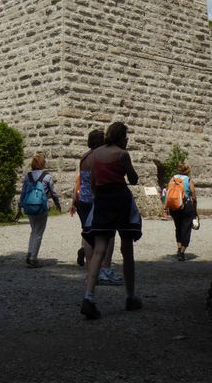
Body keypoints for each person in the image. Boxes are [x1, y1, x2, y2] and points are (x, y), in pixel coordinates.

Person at [80, 122, 142, 319]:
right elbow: (133, 179)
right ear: (121, 137)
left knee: (99, 250)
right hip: (120, 200)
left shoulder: (95, 155)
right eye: (126, 137)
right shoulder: (122, 154)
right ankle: (130, 296)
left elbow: (93, 183)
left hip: (102, 200)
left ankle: (88, 297)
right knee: (127, 249)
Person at [69, 129, 123, 285]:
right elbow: (99, 180)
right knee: (109, 235)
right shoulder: (98, 157)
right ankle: (105, 269)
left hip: (83, 201)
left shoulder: (84, 157)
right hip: (96, 200)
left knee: (88, 236)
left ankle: (91, 272)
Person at [16, 153, 61, 267]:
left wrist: (20, 206)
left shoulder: (28, 176)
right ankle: (33, 258)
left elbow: (23, 192)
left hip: (29, 206)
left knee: (33, 230)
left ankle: (29, 253)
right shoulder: (47, 177)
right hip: (41, 207)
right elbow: (53, 193)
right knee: (39, 232)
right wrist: (57, 204)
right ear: (42, 164)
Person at [167, 162, 198, 261]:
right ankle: (182, 252)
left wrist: (166, 208)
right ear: (188, 171)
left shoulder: (173, 178)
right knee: (186, 229)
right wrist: (195, 210)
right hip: (186, 207)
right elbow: (194, 196)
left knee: (178, 228)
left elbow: (168, 192)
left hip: (174, 207)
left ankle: (179, 248)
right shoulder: (188, 180)